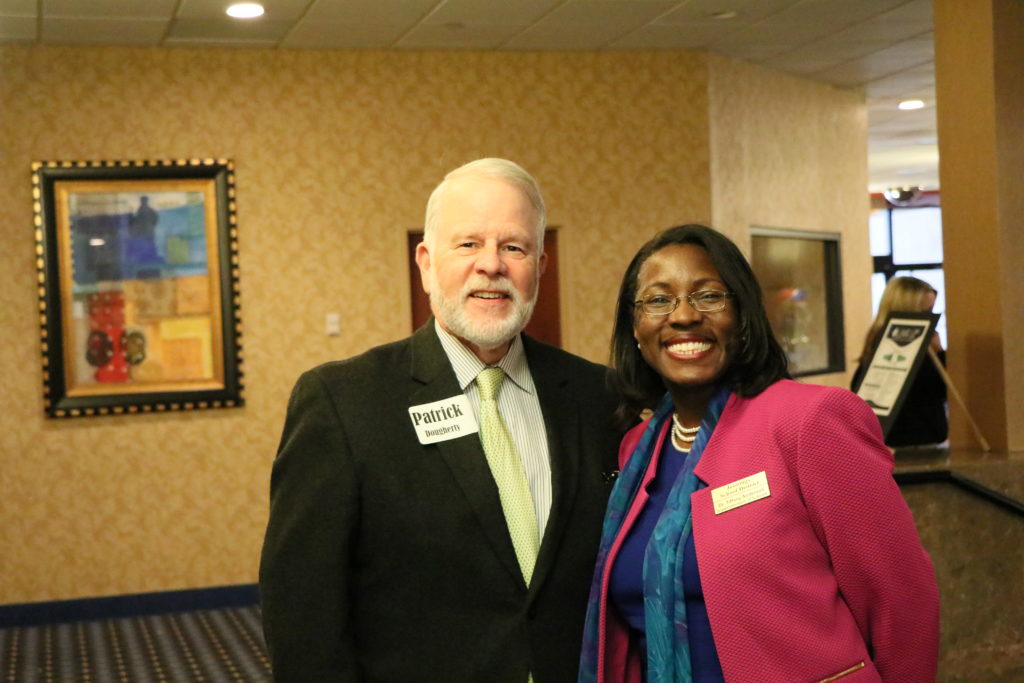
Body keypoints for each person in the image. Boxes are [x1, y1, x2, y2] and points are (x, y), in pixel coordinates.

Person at [259, 158, 622, 682]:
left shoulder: (596, 395)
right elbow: (303, 613)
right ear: (426, 263)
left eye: (513, 247)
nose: (491, 265)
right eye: (468, 244)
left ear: (540, 265)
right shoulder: (343, 404)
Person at [578, 225, 940, 683]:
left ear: (742, 313)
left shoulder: (810, 422)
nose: (684, 316)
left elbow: (900, 600)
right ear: (635, 327)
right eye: (658, 300)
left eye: (709, 296)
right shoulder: (637, 448)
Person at [852, 276, 948, 448]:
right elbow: (938, 387)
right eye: (925, 312)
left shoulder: (878, 337)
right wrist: (939, 354)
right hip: (911, 437)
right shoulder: (893, 343)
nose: (931, 320)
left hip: (912, 434)